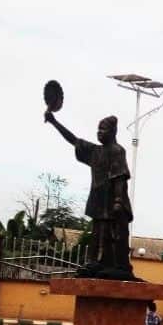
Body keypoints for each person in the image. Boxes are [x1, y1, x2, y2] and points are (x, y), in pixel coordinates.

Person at [45, 110, 133, 279]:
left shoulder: (117, 151)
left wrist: (118, 201)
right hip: (99, 201)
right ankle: (97, 262)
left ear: (113, 132)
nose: (99, 132)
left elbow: (120, 178)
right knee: (98, 234)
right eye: (98, 129)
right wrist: (54, 122)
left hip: (114, 203)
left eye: (103, 129)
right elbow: (74, 140)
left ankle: (117, 266)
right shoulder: (95, 151)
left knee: (115, 236)